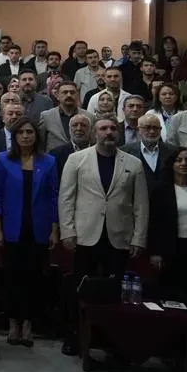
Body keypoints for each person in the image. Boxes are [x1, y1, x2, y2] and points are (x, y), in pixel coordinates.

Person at [57, 116, 149, 355]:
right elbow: (66, 198)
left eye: (112, 129)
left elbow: (140, 204)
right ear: (94, 133)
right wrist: (67, 231)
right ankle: (75, 336)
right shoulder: (76, 159)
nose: (108, 132)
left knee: (113, 290)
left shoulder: (133, 163)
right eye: (103, 129)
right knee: (79, 288)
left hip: (118, 235)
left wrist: (139, 237)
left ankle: (109, 339)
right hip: (85, 234)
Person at [0, 116, 59, 346]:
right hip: (11, 228)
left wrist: (54, 229)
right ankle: (12, 323)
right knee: (12, 276)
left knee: (34, 277)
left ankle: (28, 323)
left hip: (38, 229)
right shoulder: (3, 160)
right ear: (15, 136)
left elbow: (53, 198)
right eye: (21, 132)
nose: (26, 136)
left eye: (30, 132)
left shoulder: (48, 162)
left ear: (36, 135)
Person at [146, 147, 187, 330]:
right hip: (169, 250)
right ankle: (169, 344)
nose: (184, 164)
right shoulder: (161, 190)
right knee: (169, 295)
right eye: (179, 160)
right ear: (172, 164)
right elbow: (153, 224)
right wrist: (155, 252)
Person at [122, 112, 177, 192]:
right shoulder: (125, 152)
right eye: (147, 127)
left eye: (155, 128)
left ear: (160, 129)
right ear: (138, 129)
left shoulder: (173, 152)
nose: (152, 131)